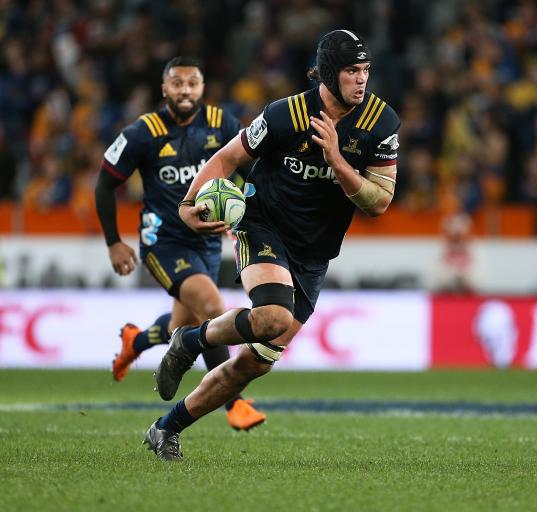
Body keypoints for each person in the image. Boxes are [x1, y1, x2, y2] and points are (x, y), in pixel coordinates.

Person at [143, 30, 400, 461]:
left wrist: (337, 161)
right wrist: (188, 204)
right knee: (272, 316)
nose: (361, 80)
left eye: (365, 70)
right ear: (329, 73)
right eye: (352, 71)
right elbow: (227, 158)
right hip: (263, 224)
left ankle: (167, 425)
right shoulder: (286, 114)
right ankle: (192, 341)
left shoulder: (382, 122)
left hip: (314, 254)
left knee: (254, 364)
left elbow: (379, 202)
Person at [94, 56, 266, 431]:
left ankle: (136, 341)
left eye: (192, 83)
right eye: (177, 83)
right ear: (164, 89)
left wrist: (245, 212)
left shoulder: (223, 125)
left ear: (202, 88)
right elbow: (105, 183)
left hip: (206, 244)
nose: (185, 90)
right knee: (212, 308)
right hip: (164, 243)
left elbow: (252, 172)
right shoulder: (143, 132)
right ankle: (234, 403)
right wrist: (113, 242)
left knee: (180, 325)